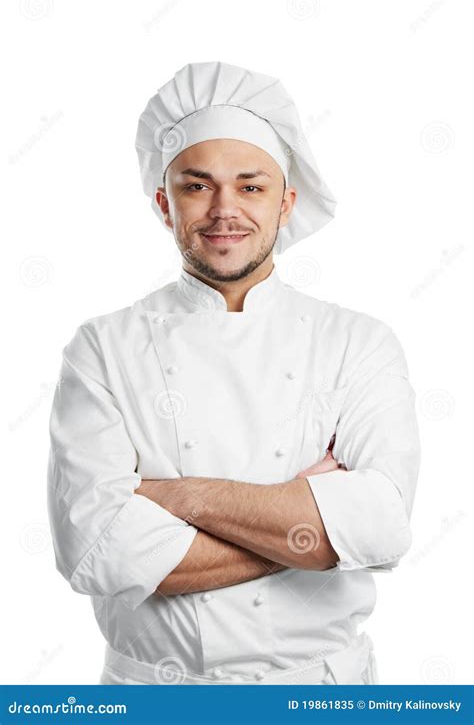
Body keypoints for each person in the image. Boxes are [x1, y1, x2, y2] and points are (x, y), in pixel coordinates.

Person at [46, 61, 420, 686]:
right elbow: (97, 551)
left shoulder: (358, 343)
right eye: (198, 186)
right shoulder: (102, 348)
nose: (225, 210)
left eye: (251, 187)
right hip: (156, 693)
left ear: (286, 203)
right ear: (166, 205)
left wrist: (178, 497)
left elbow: (382, 527)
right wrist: (312, 523)